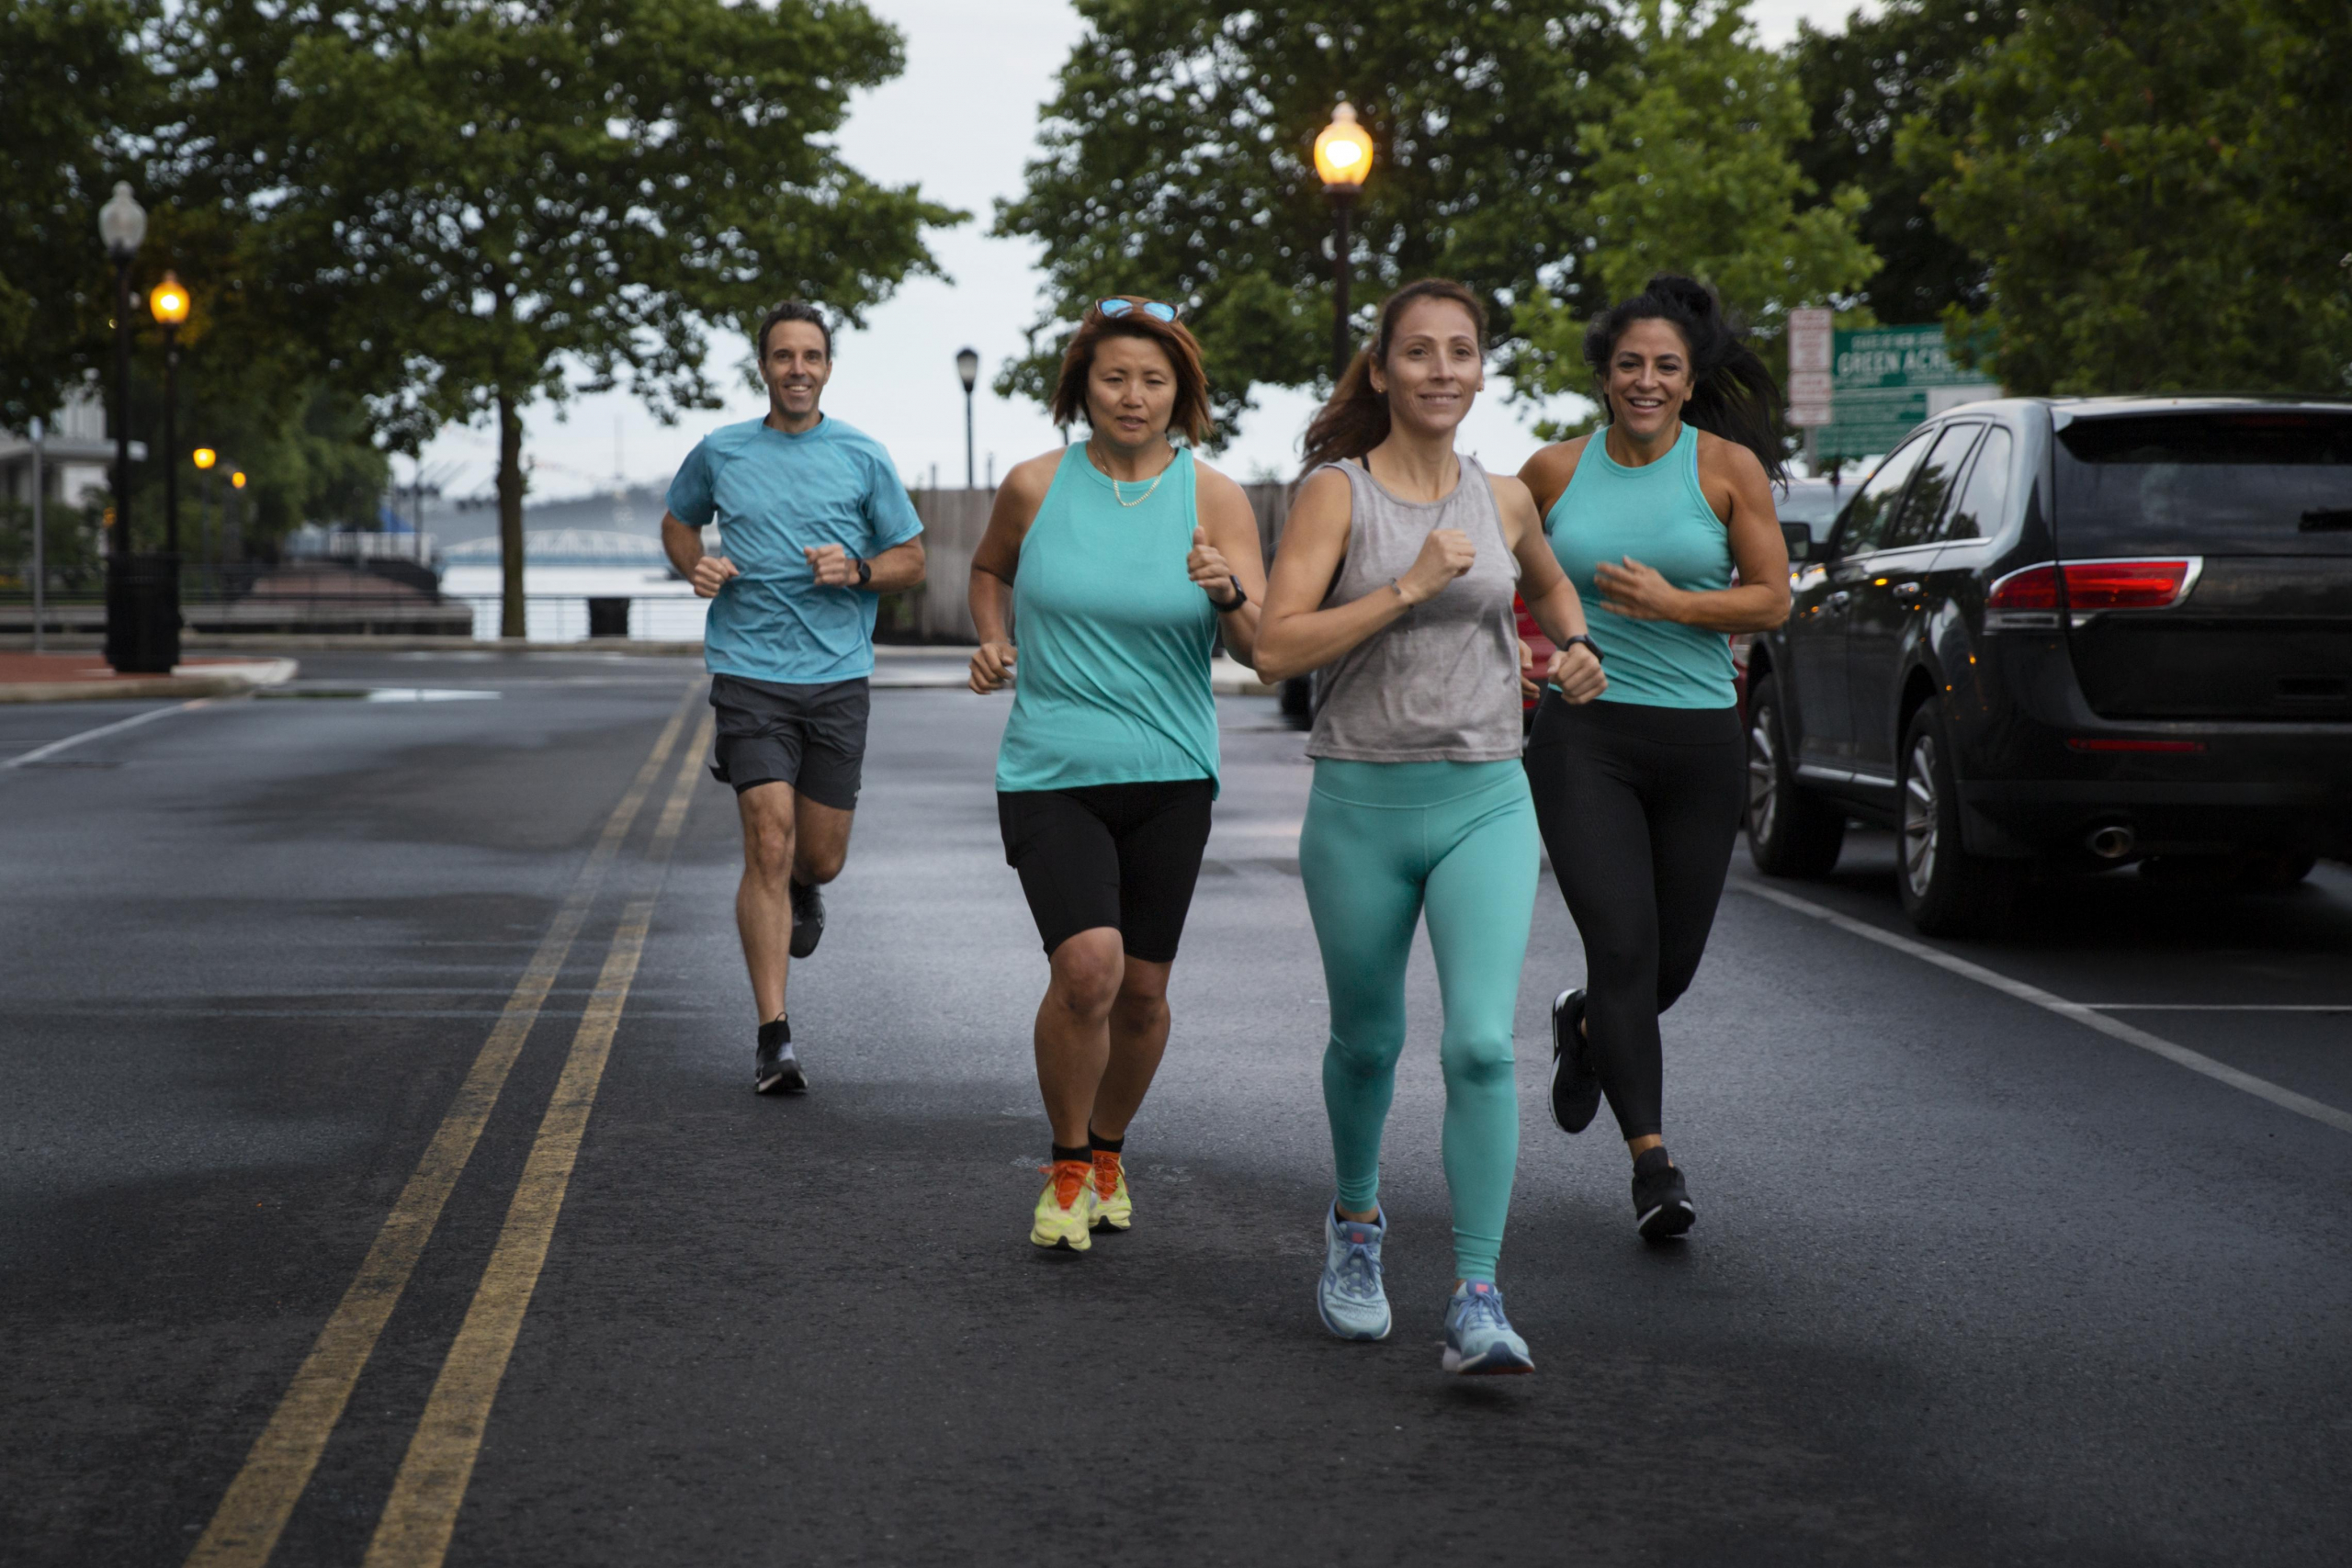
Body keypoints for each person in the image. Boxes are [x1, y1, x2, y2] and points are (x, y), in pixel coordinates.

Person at [1255, 278, 1607, 1374]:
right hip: (1359, 800)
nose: (1442, 369)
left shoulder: (1500, 499)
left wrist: (1576, 648)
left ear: (1480, 371)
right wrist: (1407, 586)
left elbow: (1551, 593)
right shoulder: (1334, 496)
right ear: (1382, 371)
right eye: (1419, 352)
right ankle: (1355, 1231)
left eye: (1461, 351)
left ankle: (1477, 1294)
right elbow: (1274, 650)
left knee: (1480, 1047)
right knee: (1368, 1041)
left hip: (1486, 799)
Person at [967, 298, 1266, 1253]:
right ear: (1081, 388)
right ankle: (1062, 1168)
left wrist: (1228, 593)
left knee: (1141, 993)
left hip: (1172, 773)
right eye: (1113, 378)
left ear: (1180, 393)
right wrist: (990, 639)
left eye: (1152, 380)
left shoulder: (1213, 498)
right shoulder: (1033, 486)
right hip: (1050, 768)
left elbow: (1262, 647)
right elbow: (988, 571)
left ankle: (1107, 1149)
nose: (1132, 397)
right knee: (1086, 969)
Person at [1516, 274, 1792, 1238]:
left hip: (1698, 740)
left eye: (1664, 366)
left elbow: (1770, 600)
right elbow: (1492, 573)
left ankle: (1586, 1025)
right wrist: (1521, 648)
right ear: (1602, 376)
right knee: (1625, 947)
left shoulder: (1726, 471)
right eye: (1628, 363)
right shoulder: (1551, 472)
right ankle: (1654, 1167)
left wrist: (1675, 606)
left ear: (1687, 379)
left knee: (1668, 970)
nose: (1645, 380)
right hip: (1583, 738)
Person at [660, 299, 927, 1096]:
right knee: (767, 844)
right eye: (784, 356)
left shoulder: (862, 456)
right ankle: (773, 1035)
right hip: (749, 671)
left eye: (812, 356)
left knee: (818, 856)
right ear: (763, 366)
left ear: (829, 367)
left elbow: (912, 557)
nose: (798, 369)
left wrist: (861, 571)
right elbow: (678, 523)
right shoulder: (721, 451)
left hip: (838, 676)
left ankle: (807, 885)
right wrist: (694, 567)